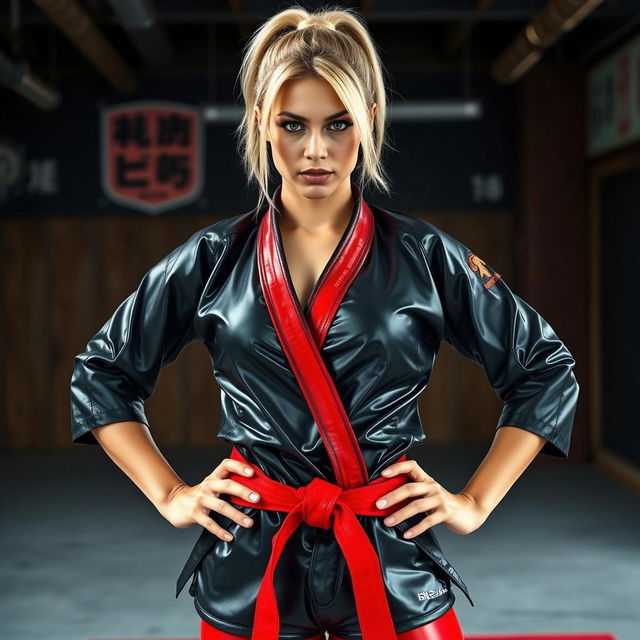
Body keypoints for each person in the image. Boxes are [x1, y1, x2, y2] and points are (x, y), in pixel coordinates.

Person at [70, 5, 580, 640]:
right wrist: (170, 494)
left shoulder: (424, 256)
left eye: (336, 124)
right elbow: (101, 374)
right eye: (293, 125)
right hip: (256, 554)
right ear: (261, 125)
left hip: (388, 551)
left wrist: (472, 503)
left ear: (366, 123)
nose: (315, 150)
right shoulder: (211, 260)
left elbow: (545, 369)